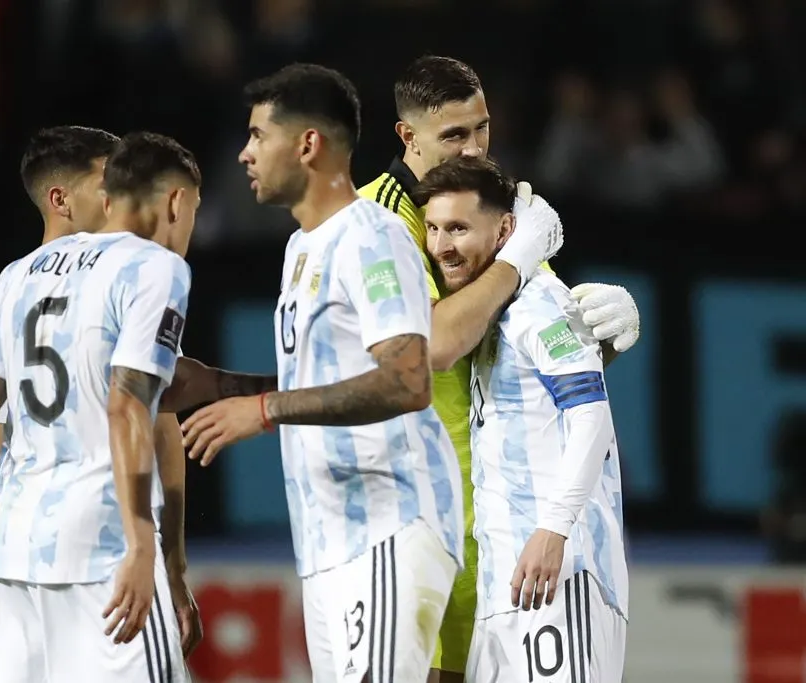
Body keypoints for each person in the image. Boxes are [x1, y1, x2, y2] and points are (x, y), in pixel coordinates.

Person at [164, 63, 557, 683]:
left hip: (399, 516)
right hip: (332, 532)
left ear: (307, 144)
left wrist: (584, 326)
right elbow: (333, 376)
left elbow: (414, 371)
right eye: (456, 134)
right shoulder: (306, 246)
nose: (244, 153)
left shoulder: (377, 232)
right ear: (409, 135)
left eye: (259, 136)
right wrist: (215, 385)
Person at [357, 55, 640, 682]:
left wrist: (608, 334)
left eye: (481, 128)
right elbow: (435, 345)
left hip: (497, 527)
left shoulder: (496, 210)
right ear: (407, 136)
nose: (474, 147)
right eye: (454, 135)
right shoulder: (377, 222)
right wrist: (520, 253)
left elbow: (541, 364)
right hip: (413, 522)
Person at [0, 131, 202, 683]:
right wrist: (164, 561)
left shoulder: (6, 286)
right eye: (107, 180)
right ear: (61, 199)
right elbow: (151, 422)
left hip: (19, 556)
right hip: (108, 548)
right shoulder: (141, 271)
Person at [415, 156, 628, 683]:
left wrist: (553, 530)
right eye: (434, 229)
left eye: (458, 228)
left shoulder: (539, 303)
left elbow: (590, 415)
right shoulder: (489, 313)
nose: (441, 246)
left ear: (506, 230)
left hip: (559, 576)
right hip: (506, 583)